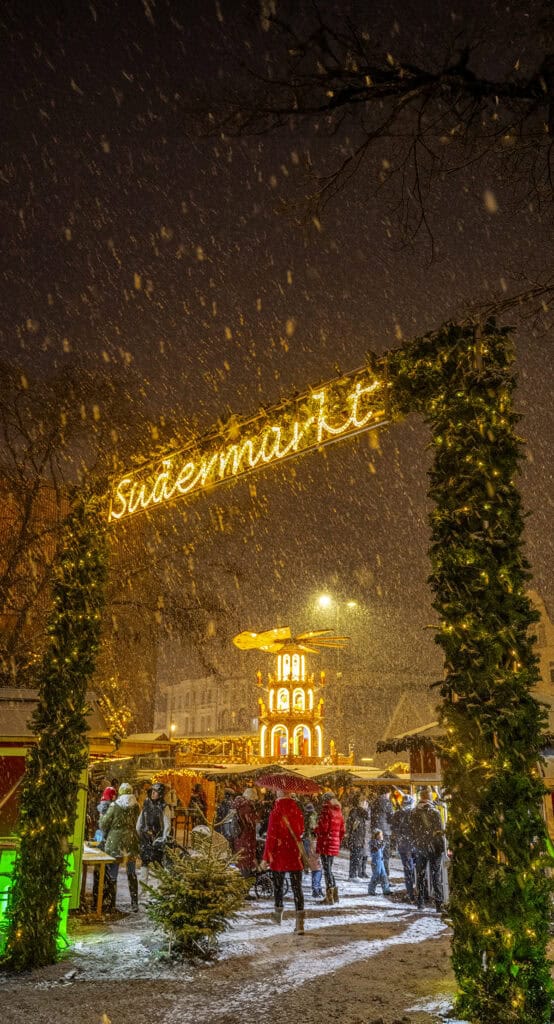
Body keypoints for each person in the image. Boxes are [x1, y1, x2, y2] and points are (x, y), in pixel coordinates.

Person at [262, 787, 306, 933]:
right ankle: (300, 924)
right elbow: (301, 831)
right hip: (294, 853)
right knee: (297, 888)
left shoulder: (276, 812)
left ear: (279, 794)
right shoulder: (297, 810)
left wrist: (266, 857)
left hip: (279, 855)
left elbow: (271, 837)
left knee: (278, 886)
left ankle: (278, 914)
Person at [100, 782, 140, 912]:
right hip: (131, 842)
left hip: (115, 843)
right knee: (131, 872)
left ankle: (111, 903)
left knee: (113, 874)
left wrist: (102, 818)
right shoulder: (136, 806)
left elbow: (104, 824)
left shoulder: (115, 806)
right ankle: (134, 903)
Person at [411, 787, 445, 911]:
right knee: (436, 874)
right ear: (429, 796)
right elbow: (439, 830)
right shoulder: (434, 812)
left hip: (420, 846)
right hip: (434, 847)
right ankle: (439, 904)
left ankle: (420, 902)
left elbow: (411, 831)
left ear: (421, 797)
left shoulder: (414, 812)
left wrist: (416, 843)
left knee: (420, 875)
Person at [136, 781, 172, 886]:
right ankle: (143, 889)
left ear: (160, 793)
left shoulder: (164, 806)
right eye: (152, 791)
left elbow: (167, 824)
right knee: (145, 863)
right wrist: (140, 834)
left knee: (158, 864)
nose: (153, 793)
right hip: (146, 838)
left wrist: (164, 838)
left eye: (155, 792)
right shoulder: (147, 804)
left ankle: (160, 890)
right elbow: (140, 822)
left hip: (158, 839)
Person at [314, 791, 345, 904]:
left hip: (326, 843)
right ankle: (335, 895)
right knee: (329, 869)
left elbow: (324, 828)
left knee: (327, 870)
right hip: (334, 843)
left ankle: (329, 897)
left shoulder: (326, 811)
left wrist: (315, 829)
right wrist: (337, 840)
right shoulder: (339, 812)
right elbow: (342, 830)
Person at [391, 794, 417, 902]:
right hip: (415, 845)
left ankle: (411, 894)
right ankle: (418, 893)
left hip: (404, 846)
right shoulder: (414, 813)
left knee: (408, 870)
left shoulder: (398, 814)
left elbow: (394, 829)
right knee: (418, 869)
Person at [231, 787, 258, 878]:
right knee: (246, 857)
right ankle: (246, 878)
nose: (256, 798)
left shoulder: (240, 804)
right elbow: (250, 821)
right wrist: (256, 817)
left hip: (240, 836)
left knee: (241, 856)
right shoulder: (246, 806)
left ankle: (243, 875)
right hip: (246, 836)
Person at [345, 794, 371, 879]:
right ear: (360, 803)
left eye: (366, 802)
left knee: (357, 857)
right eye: (364, 802)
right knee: (355, 857)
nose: (365, 804)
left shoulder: (362, 812)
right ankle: (353, 875)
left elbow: (367, 819)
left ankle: (355, 874)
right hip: (356, 838)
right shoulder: (356, 811)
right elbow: (352, 824)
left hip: (360, 838)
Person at [372, 786, 394, 877]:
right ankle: (385, 874)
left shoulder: (375, 802)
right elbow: (391, 818)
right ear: (386, 793)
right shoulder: (388, 803)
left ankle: (377, 873)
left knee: (377, 853)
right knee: (385, 855)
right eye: (389, 794)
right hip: (385, 831)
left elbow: (372, 817)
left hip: (376, 831)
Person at [302, 800, 323, 898]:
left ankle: (316, 887)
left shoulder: (305, 816)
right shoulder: (313, 816)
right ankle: (316, 888)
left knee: (314, 864)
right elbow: (313, 828)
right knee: (317, 866)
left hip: (307, 839)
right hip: (312, 840)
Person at [367, 828, 391, 896]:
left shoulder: (380, 842)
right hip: (376, 862)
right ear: (376, 835)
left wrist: (382, 844)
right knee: (376, 875)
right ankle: (371, 890)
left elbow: (381, 848)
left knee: (384, 875)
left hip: (381, 861)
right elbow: (375, 850)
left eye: (382, 835)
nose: (381, 836)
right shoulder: (373, 842)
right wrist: (379, 845)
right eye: (380, 835)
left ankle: (386, 890)